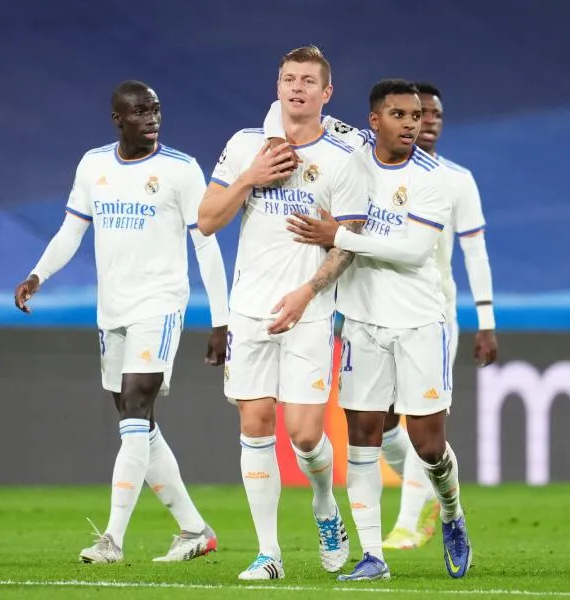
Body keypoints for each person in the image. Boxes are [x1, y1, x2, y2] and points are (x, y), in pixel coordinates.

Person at [14, 80, 231, 564]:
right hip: (111, 310)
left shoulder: (181, 170)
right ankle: (195, 529)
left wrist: (222, 319)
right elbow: (71, 230)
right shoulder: (94, 165)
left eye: (156, 110)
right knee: (139, 425)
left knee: (135, 407)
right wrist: (37, 275)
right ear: (118, 119)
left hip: (160, 305)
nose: (152, 119)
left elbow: (206, 244)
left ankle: (111, 539)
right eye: (140, 112)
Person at [277, 79, 472, 581]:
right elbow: (298, 115)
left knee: (429, 445)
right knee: (363, 437)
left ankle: (451, 512)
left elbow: (414, 252)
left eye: (416, 116)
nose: (411, 124)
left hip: (418, 322)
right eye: (399, 114)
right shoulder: (353, 151)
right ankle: (372, 556)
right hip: (361, 322)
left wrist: (339, 236)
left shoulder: (433, 179)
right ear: (374, 120)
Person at [197, 45, 369, 581]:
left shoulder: (343, 159)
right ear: (278, 88)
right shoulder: (245, 145)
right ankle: (269, 553)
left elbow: (348, 244)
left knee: (305, 435)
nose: (297, 88)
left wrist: (307, 292)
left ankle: (325, 506)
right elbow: (207, 220)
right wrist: (249, 177)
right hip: (250, 310)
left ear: (326, 93)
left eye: (308, 81)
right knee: (255, 423)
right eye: (289, 79)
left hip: (309, 311)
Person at [379, 82, 498, 551]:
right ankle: (432, 487)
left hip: (432, 313)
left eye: (435, 115)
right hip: (377, 311)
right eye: (419, 113)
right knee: (382, 424)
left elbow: (475, 251)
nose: (427, 121)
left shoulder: (455, 179)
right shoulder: (374, 173)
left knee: (419, 418)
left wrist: (486, 320)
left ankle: (408, 523)